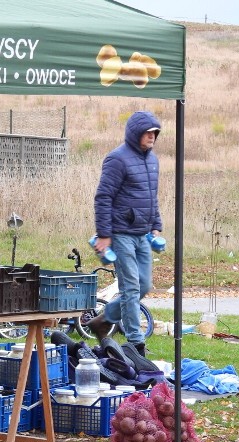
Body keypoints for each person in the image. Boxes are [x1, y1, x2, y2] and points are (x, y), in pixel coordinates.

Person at [85, 111, 163, 357]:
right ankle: (135, 343)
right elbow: (103, 197)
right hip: (120, 234)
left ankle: (103, 319)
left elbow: (151, 197)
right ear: (135, 133)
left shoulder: (153, 160)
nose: (152, 136)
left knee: (144, 285)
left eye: (155, 132)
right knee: (130, 288)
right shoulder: (117, 159)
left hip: (142, 234)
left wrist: (156, 224)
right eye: (148, 132)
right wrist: (104, 235)